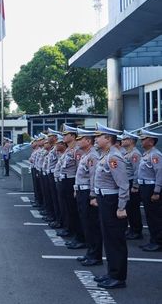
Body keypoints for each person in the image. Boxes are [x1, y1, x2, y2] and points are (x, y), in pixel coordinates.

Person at [91, 123, 129, 289]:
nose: (96, 139)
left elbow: (123, 185)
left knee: (115, 239)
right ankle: (111, 272)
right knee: (108, 238)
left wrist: (121, 207)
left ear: (108, 139)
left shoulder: (114, 157)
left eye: (99, 136)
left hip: (112, 202)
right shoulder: (104, 155)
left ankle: (118, 277)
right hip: (105, 199)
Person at [74, 129, 103, 266]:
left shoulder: (93, 156)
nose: (78, 141)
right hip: (81, 191)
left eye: (81, 139)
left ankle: (95, 255)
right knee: (85, 223)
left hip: (88, 194)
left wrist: (93, 195)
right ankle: (90, 252)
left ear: (88, 141)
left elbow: (93, 177)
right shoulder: (86, 155)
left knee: (92, 225)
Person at [136, 129, 162, 252]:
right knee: (150, 215)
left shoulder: (155, 155)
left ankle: (158, 242)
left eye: (144, 139)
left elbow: (159, 173)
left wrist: (157, 191)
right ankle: (153, 240)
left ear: (151, 141)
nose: (141, 141)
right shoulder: (146, 154)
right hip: (145, 187)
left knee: (155, 216)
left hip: (151, 188)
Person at [120, 131, 143, 240]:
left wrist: (135, 185)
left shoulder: (135, 154)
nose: (122, 141)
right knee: (129, 208)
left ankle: (137, 231)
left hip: (131, 183)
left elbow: (137, 171)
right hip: (126, 183)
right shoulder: (126, 153)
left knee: (133, 208)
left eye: (125, 139)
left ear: (131, 141)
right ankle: (132, 229)